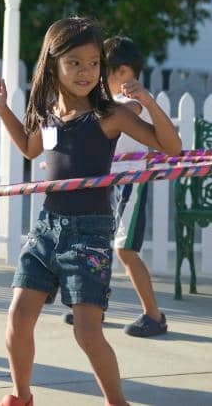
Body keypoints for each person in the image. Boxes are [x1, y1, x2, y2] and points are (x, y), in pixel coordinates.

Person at [0, 17, 181, 406]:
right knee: (19, 317)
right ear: (53, 64)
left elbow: (171, 148)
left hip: (89, 234)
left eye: (93, 63)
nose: (86, 71)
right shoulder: (49, 113)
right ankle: (21, 397)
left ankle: (116, 402)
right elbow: (29, 147)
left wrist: (148, 102)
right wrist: (2, 108)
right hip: (45, 230)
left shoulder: (110, 115)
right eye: (74, 62)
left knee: (88, 332)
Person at [64, 36, 169, 337]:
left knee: (125, 251)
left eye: (102, 70)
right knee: (101, 248)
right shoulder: (111, 104)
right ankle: (95, 310)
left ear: (123, 72)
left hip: (130, 187)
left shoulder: (134, 102)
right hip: (110, 185)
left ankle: (154, 315)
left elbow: (124, 114)